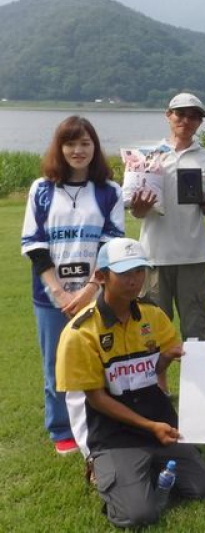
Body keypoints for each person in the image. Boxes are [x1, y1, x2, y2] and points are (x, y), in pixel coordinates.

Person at [55, 238, 205, 528]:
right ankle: (104, 468)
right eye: (126, 273)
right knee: (138, 515)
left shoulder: (152, 314)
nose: (135, 280)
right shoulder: (80, 332)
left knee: (203, 487)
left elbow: (153, 371)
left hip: (159, 424)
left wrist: (166, 359)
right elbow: (96, 399)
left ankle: (139, 471)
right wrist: (149, 427)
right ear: (102, 277)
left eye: (140, 271)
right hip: (114, 434)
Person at [21, 116, 124, 455]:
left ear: (95, 148)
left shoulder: (110, 192)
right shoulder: (42, 189)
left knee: (102, 361)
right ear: (59, 148)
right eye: (70, 144)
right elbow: (34, 245)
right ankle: (61, 428)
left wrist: (89, 290)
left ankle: (103, 421)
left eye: (85, 143)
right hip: (51, 297)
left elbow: (110, 246)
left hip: (96, 294)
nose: (77, 150)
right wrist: (61, 292)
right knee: (55, 365)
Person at [130, 92, 205, 342]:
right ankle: (155, 382)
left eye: (194, 116)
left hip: (193, 256)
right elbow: (136, 212)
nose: (186, 120)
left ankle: (199, 382)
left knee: (197, 332)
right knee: (152, 335)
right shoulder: (147, 156)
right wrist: (139, 206)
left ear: (200, 122)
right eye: (180, 114)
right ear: (168, 115)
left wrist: (203, 199)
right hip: (153, 257)